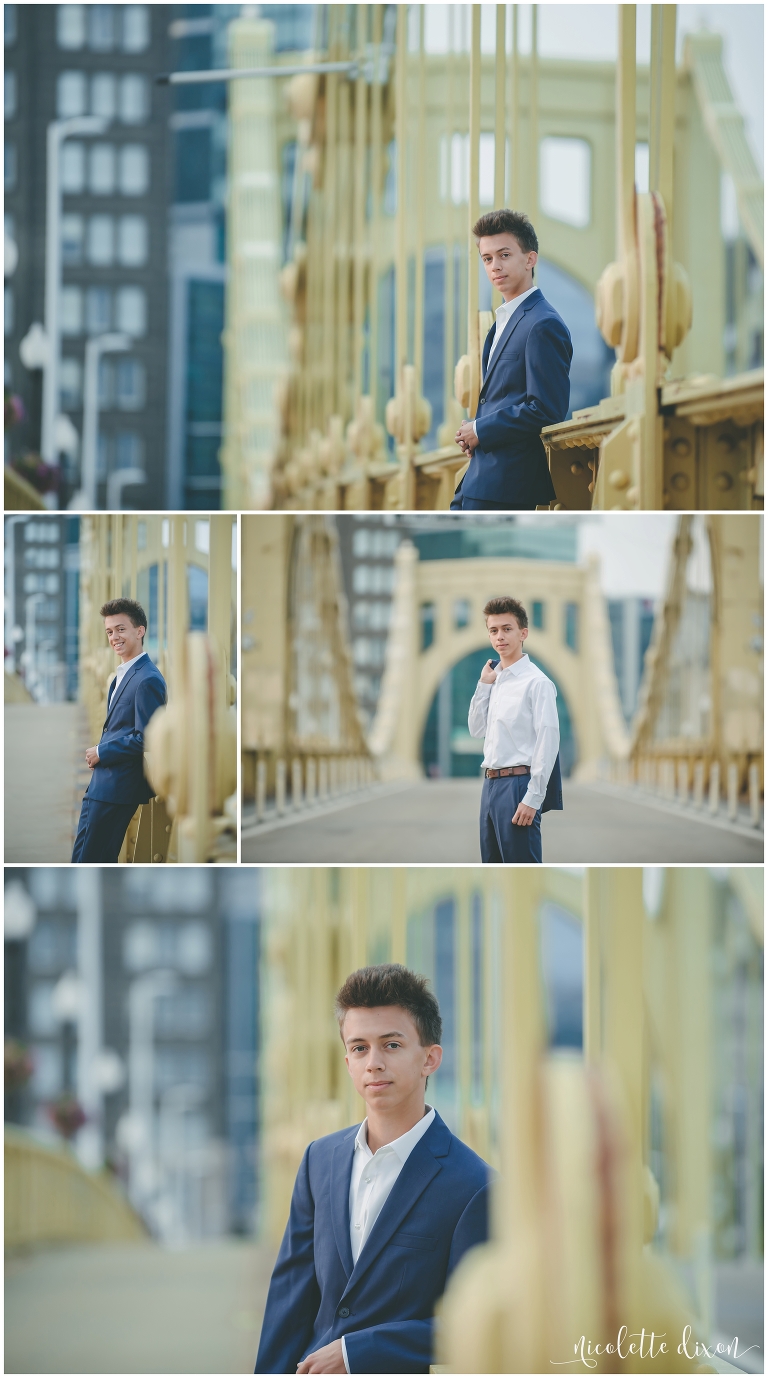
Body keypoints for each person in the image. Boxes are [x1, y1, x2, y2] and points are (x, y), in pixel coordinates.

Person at [255, 964, 491, 1375]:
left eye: (392, 1045)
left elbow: (472, 1326)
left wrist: (355, 1353)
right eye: (360, 1048)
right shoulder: (318, 1161)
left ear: (430, 1059)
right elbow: (289, 1304)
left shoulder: (475, 1186)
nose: (373, 1062)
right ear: (347, 1061)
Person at [451, 208, 572, 511]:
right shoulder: (500, 325)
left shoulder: (544, 324)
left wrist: (480, 430)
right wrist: (477, 429)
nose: (495, 266)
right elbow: (502, 399)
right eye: (488, 259)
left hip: (507, 488)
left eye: (504, 255)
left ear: (530, 259)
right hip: (478, 481)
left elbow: (546, 408)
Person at [71, 598, 167, 863]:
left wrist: (103, 751)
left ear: (140, 630)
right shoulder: (123, 675)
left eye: (121, 629)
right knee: (81, 859)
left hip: (118, 788)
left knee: (94, 860)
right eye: (110, 631)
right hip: (101, 786)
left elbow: (147, 737)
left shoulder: (148, 679)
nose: (114, 637)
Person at [468, 596, 562, 864]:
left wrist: (533, 797)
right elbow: (476, 730)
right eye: (494, 630)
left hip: (518, 785)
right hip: (490, 786)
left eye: (507, 629)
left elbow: (548, 740)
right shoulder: (493, 682)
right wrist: (483, 685)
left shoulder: (537, 683)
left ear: (523, 633)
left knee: (523, 868)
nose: (500, 637)